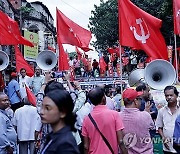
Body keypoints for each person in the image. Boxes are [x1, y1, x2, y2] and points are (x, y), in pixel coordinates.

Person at [82, 87, 127, 154]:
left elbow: (86, 146)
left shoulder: (86, 119)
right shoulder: (114, 115)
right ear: (103, 98)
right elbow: (120, 141)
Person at [40, 89, 80, 153]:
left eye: (47, 108)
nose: (41, 112)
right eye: (42, 107)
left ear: (62, 112)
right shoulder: (53, 135)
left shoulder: (66, 145)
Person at [120, 88, 154, 154]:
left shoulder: (118, 116)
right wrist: (146, 113)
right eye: (140, 99)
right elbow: (152, 127)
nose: (140, 102)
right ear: (135, 101)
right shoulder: (145, 115)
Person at [156, 86, 180, 154]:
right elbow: (159, 127)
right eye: (167, 95)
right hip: (167, 148)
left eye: (171, 95)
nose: (169, 97)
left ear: (177, 95)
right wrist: (163, 138)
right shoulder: (161, 111)